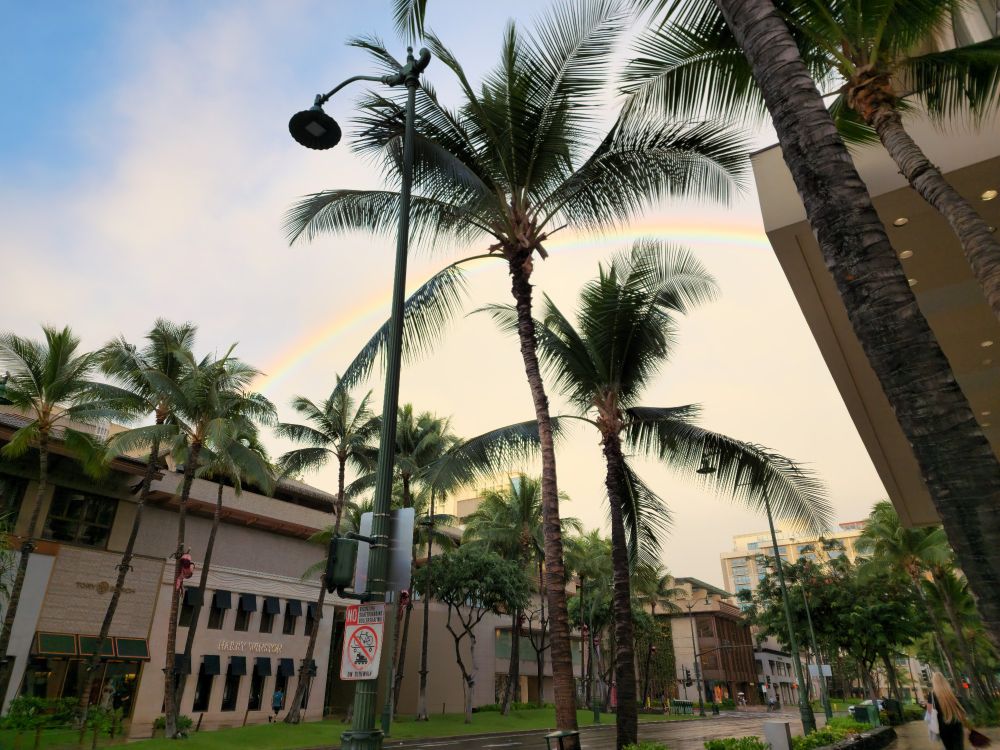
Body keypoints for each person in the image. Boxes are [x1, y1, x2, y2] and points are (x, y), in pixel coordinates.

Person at [930, 672, 967, 750]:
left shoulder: (932, 696)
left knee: (949, 747)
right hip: (956, 724)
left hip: (943, 728)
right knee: (959, 747)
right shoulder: (952, 693)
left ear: (934, 682)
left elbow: (930, 712)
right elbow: (962, 709)